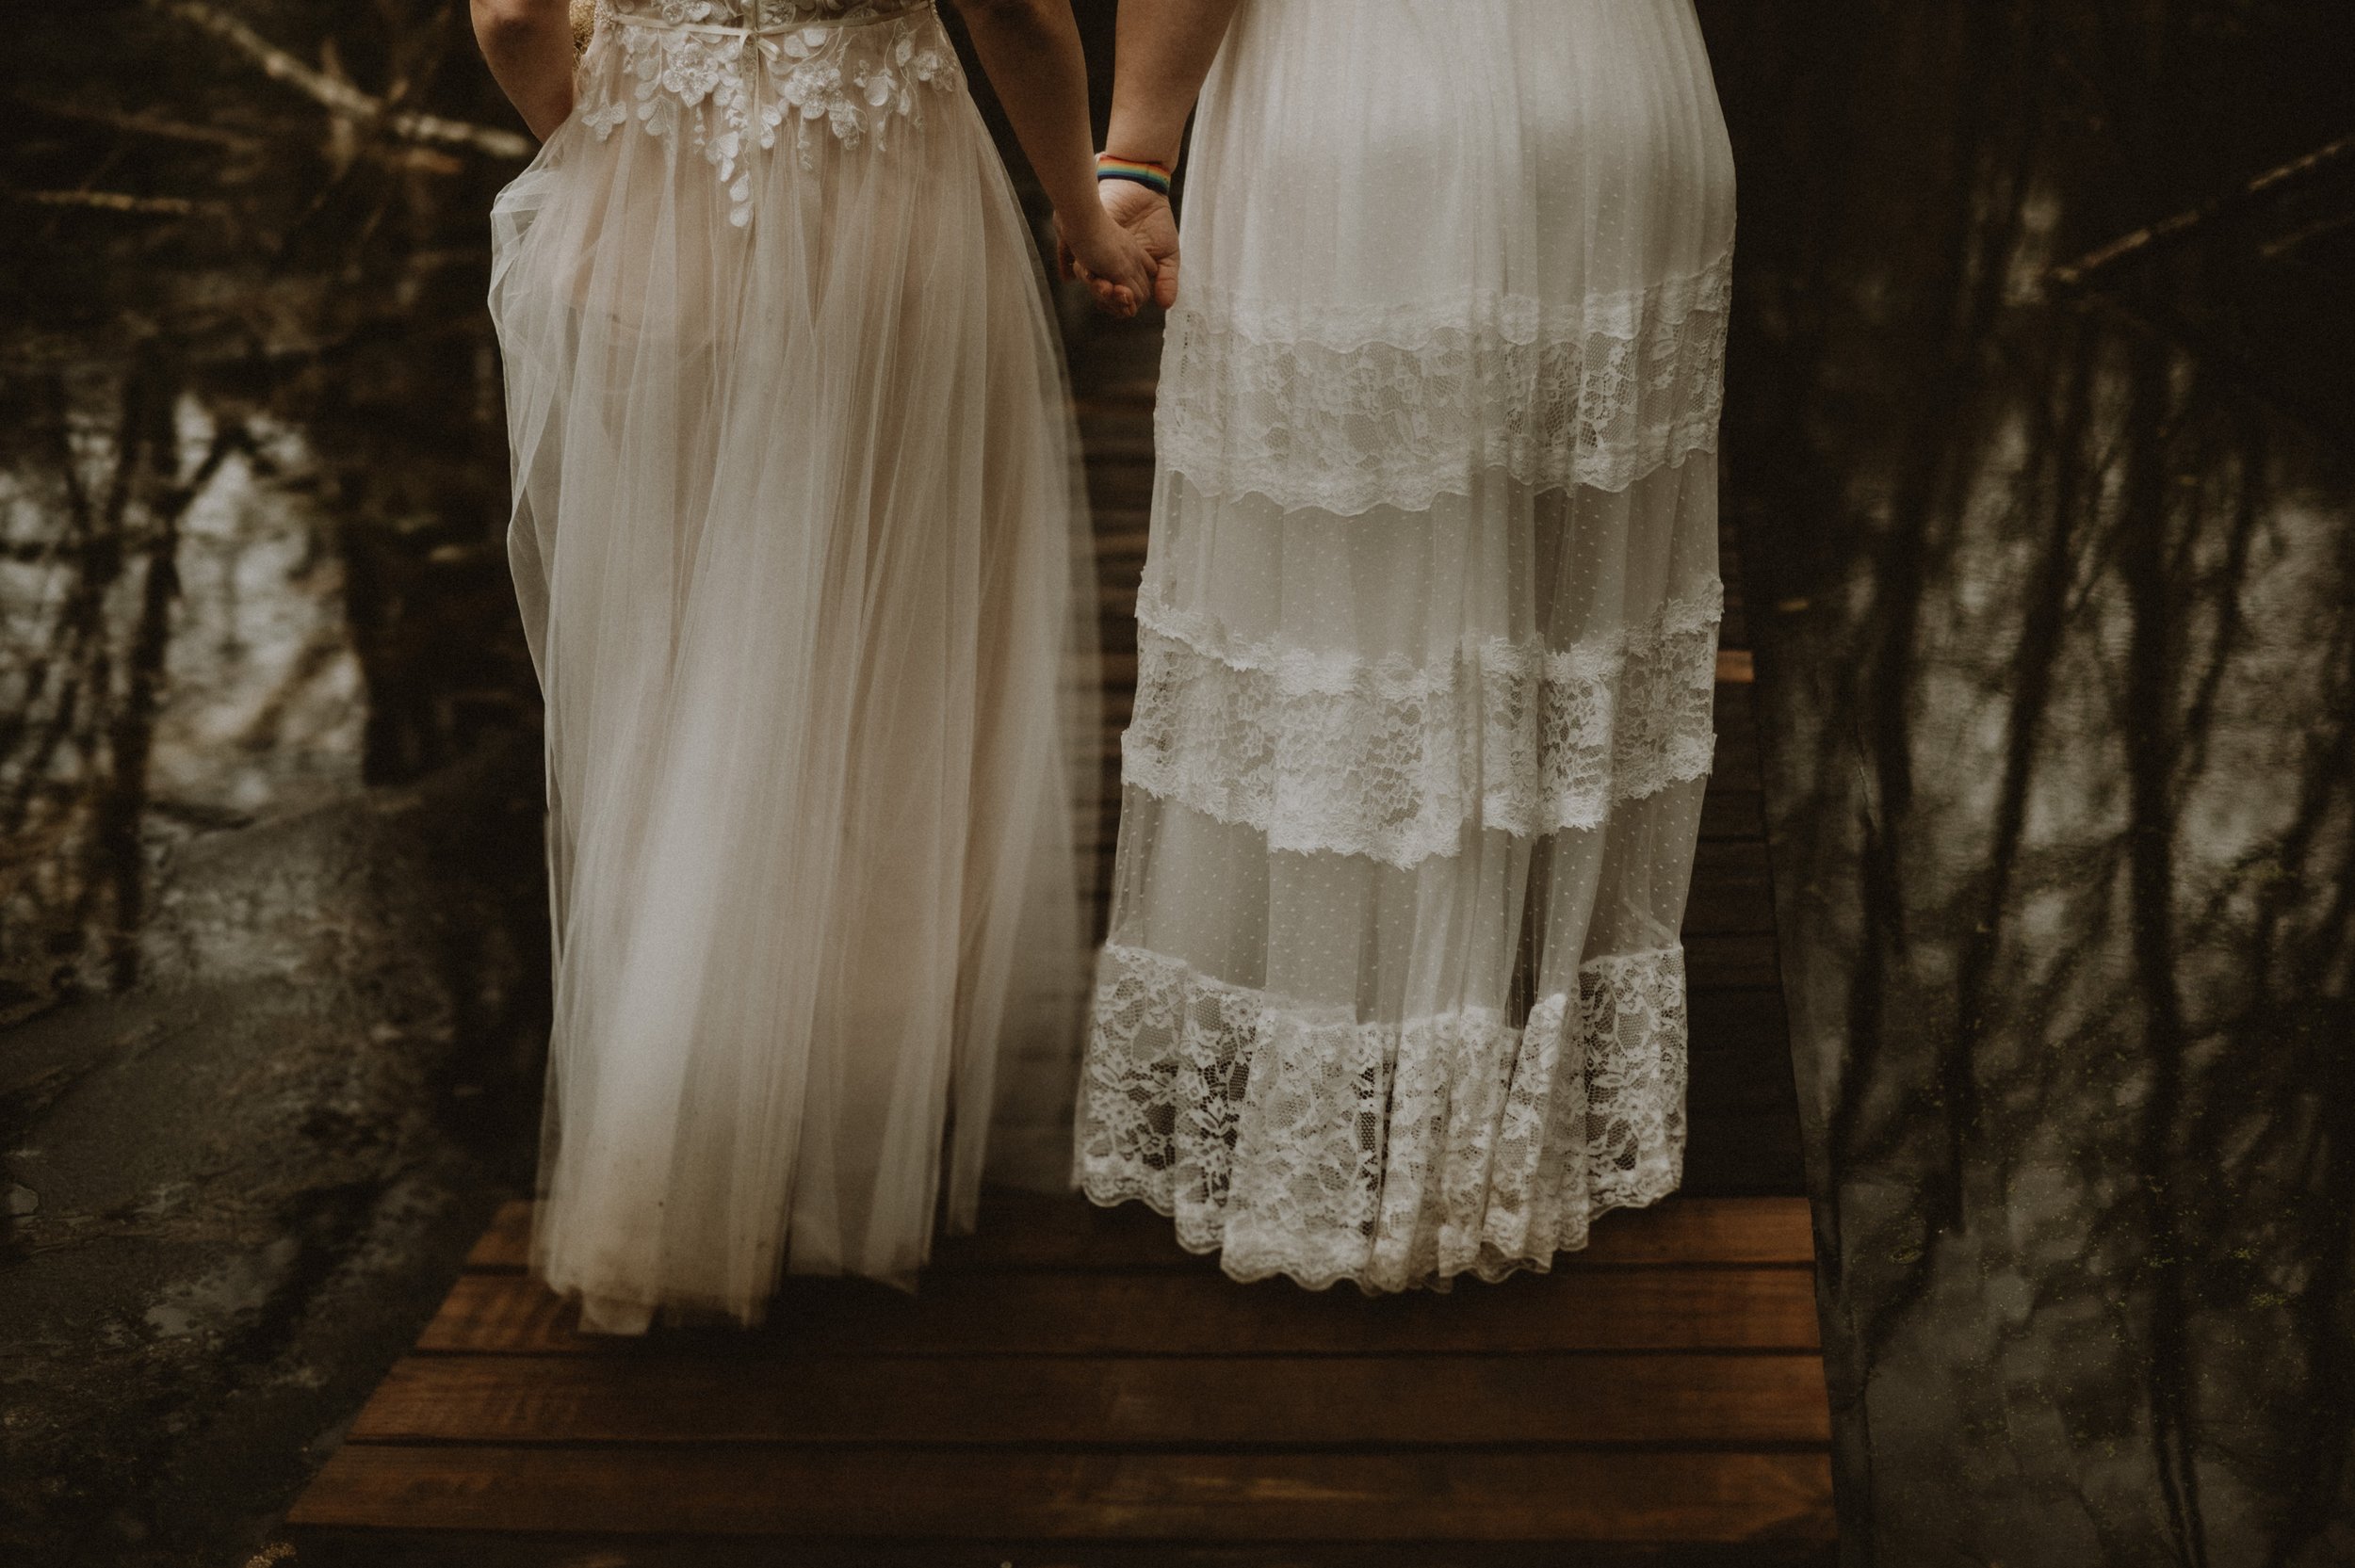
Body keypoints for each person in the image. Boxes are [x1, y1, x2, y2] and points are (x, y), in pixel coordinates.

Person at [469, 0, 1152, 1333]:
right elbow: (1016, 12)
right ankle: (845, 1118)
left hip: (654, 210)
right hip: (883, 203)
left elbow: (508, 15)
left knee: (686, 653)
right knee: (881, 663)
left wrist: (601, 144)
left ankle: (679, 1115)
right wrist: (1082, 205)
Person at [1071, 0, 1738, 1292]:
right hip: (1618, 107)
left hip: (1369, 111)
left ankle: (1360, 1110)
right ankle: (1511, 1085)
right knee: (1554, 604)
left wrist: (1139, 154)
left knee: (1352, 598)